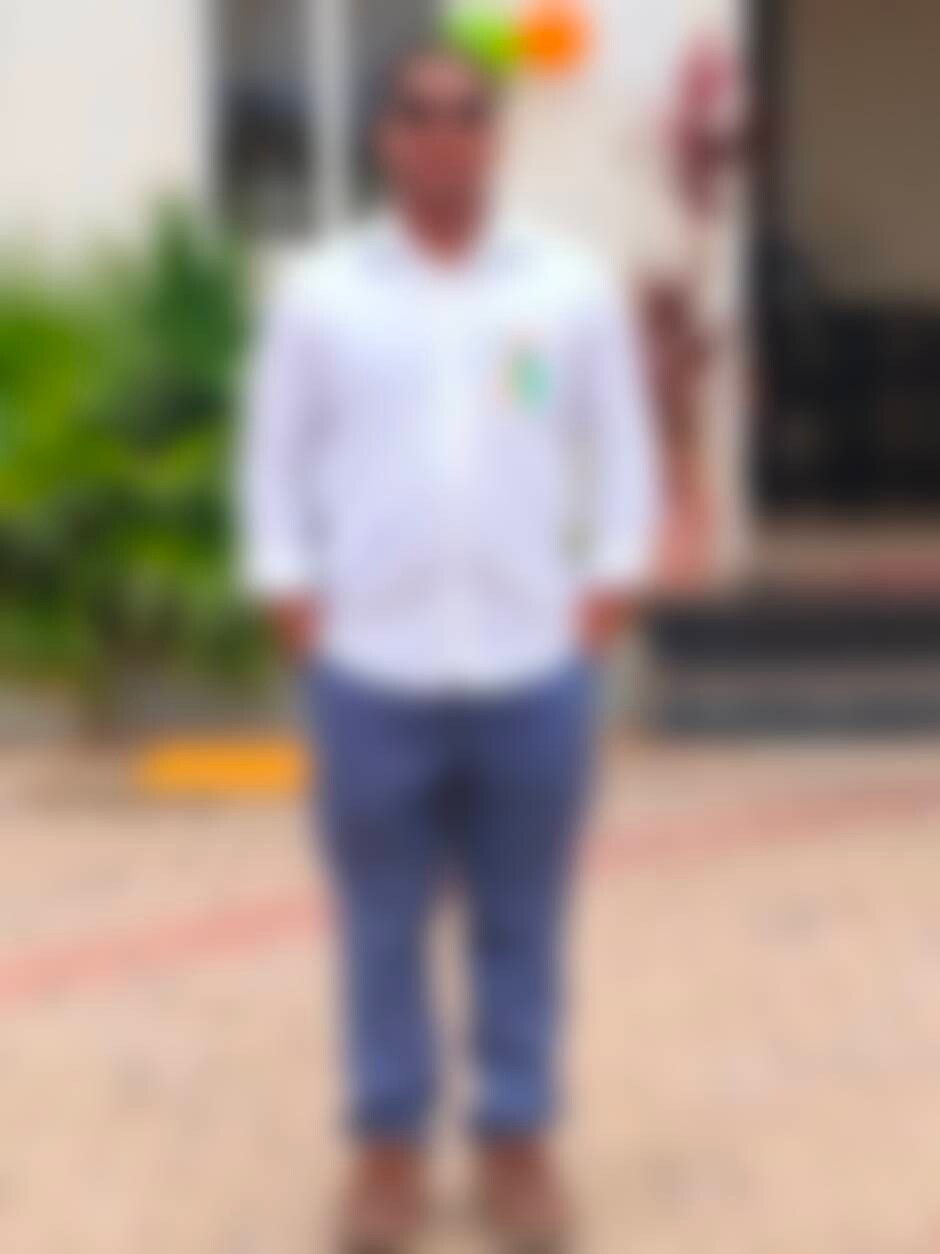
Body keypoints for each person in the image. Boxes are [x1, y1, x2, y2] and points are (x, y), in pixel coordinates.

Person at [241, 41, 659, 1253]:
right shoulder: (322, 295)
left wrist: (607, 584)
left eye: (466, 113)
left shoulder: (567, 290)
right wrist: (290, 591)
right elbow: (275, 458)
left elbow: (621, 449)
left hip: (533, 669)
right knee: (380, 926)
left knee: (523, 919)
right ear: (385, 137)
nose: (442, 133)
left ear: (494, 136)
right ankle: (386, 1151)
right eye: (418, 114)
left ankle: (515, 1139)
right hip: (371, 672)